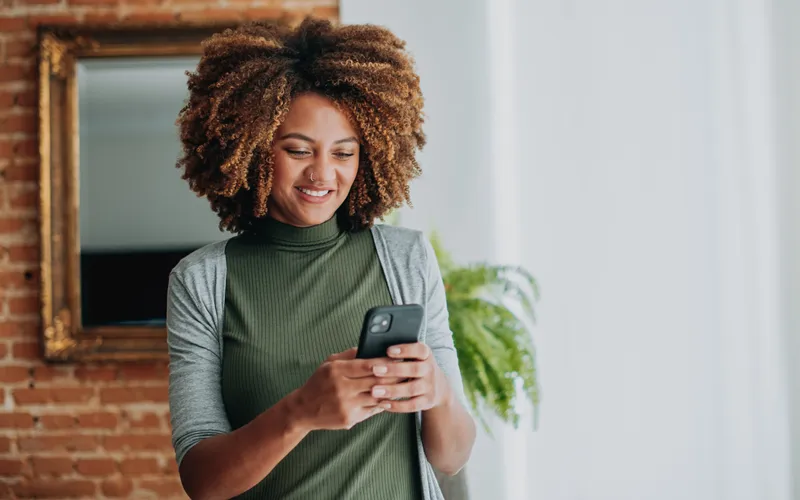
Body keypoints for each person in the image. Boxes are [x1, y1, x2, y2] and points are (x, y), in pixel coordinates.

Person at [167, 18, 476, 500]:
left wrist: (434, 391)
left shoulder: (405, 256)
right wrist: (301, 411)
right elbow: (203, 481)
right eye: (297, 149)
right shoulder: (202, 280)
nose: (322, 173)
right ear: (249, 149)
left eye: (344, 153)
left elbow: (453, 456)